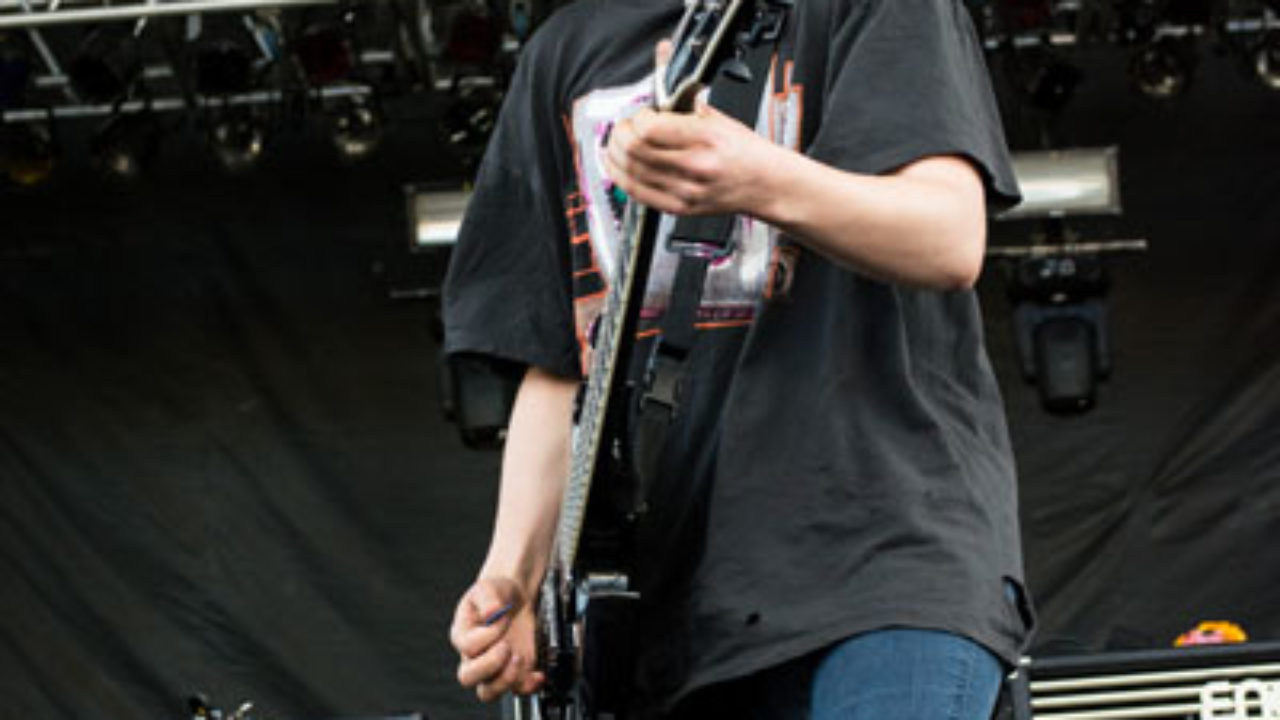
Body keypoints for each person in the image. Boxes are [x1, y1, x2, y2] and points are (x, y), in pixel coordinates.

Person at [445, 0, 1036, 716]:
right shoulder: (565, 50)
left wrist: (757, 180)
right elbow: (561, 358)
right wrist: (513, 576)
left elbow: (947, 235)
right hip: (672, 606)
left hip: (885, 554)